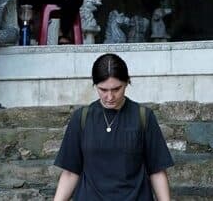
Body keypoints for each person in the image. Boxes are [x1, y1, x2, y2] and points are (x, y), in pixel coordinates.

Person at [53, 53, 173, 201]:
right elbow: (70, 172)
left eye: (116, 89)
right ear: (95, 85)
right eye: (103, 90)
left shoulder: (143, 117)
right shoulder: (81, 118)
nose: (110, 97)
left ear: (127, 82)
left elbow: (157, 170)